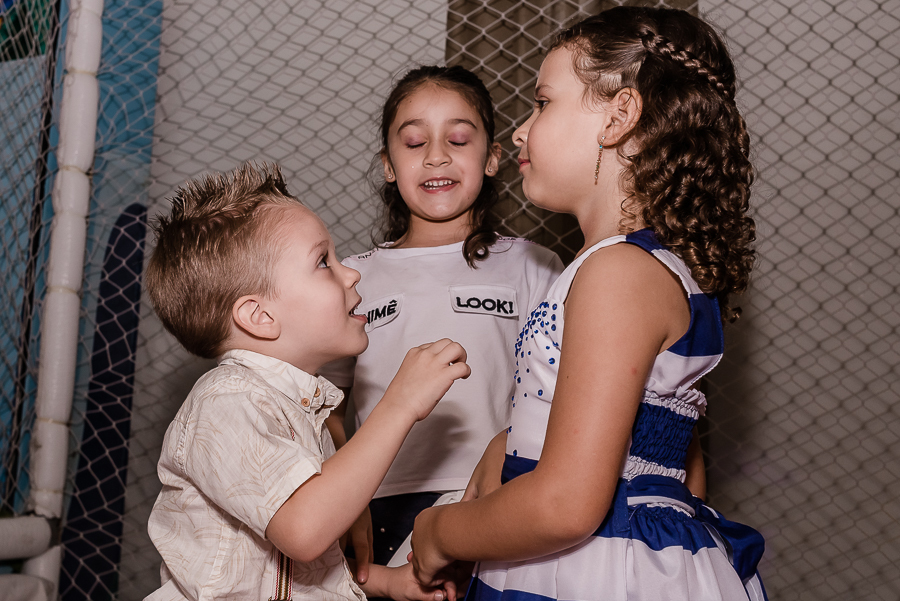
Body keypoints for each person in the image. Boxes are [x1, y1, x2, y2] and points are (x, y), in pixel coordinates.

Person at [408, 7, 767, 601]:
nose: (520, 130)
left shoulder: (617, 273)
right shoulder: (637, 267)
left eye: (542, 103)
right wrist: (510, 445)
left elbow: (567, 505)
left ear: (619, 116)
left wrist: (440, 531)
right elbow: (671, 454)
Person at [143, 162, 469, 601]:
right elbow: (304, 530)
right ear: (260, 316)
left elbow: (298, 565)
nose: (351, 273)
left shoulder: (301, 409)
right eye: (323, 262)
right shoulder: (225, 403)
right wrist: (399, 405)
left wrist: (387, 581)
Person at [319, 65, 563, 579]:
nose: (436, 156)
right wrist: (343, 497)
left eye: (458, 139)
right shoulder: (353, 277)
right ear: (388, 165)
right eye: (414, 142)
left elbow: (561, 397)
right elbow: (324, 410)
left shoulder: (534, 266)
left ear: (492, 157)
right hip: (377, 502)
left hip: (498, 499)